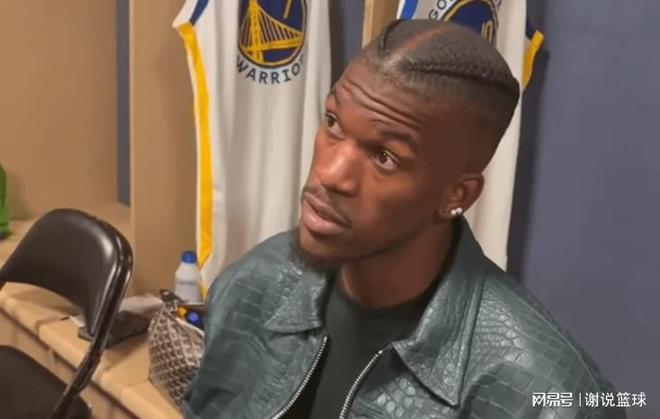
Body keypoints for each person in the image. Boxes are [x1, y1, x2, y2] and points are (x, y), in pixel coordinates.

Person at [184, 20, 624, 419]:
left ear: (457, 195)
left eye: (384, 156)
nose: (330, 174)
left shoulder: (550, 398)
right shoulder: (252, 285)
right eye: (333, 122)